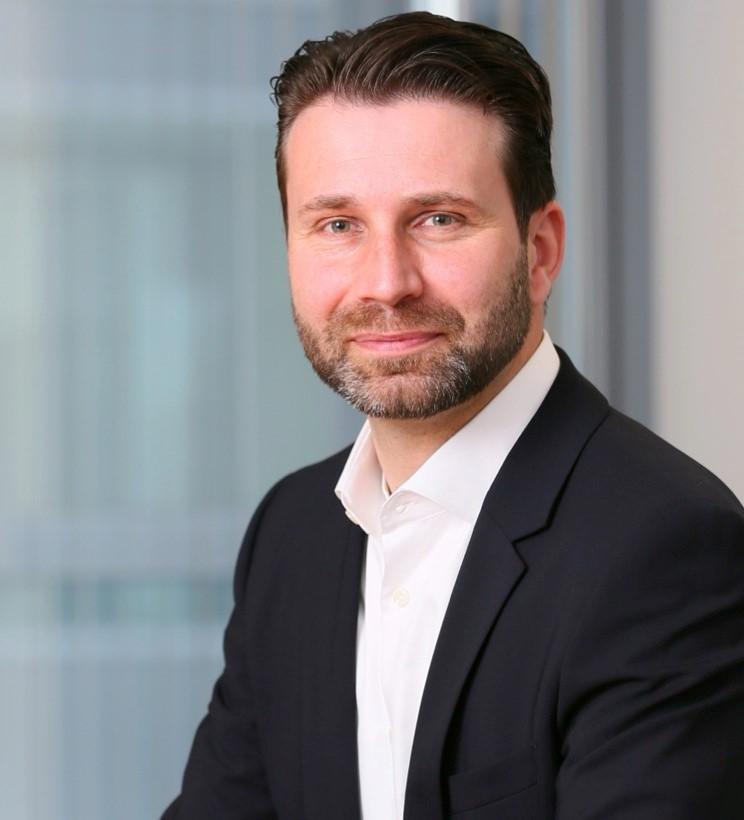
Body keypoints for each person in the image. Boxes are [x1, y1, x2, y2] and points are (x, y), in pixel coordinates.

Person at [162, 12, 744, 819]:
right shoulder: (292, 532)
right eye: (338, 225)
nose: (386, 282)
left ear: (540, 251)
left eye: (438, 219)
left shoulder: (664, 546)